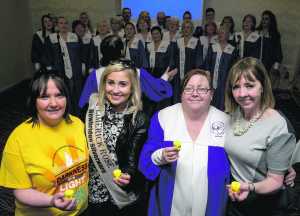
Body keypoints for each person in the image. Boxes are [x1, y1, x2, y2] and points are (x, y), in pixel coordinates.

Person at [139, 69, 230, 216]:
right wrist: (161, 155)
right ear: (181, 93)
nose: (195, 93)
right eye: (189, 88)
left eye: (202, 89)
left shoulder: (226, 122)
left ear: (212, 94)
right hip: (169, 205)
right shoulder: (163, 117)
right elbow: (145, 160)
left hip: (210, 206)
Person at [0, 71, 89, 215]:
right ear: (34, 100)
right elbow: (20, 191)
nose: (53, 103)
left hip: (80, 210)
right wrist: (52, 201)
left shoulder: (77, 124)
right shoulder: (18, 139)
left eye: (59, 95)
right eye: (45, 97)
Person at [224, 57, 296, 215]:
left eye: (250, 86)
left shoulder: (276, 123)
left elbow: (276, 181)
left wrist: (249, 187)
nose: (242, 94)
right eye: (236, 87)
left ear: (262, 86)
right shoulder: (233, 115)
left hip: (265, 205)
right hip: (237, 198)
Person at [85, 61, 148, 215]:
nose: (115, 90)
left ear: (132, 87)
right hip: (94, 188)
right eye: (110, 83)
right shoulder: (92, 108)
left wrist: (129, 175)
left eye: (123, 84)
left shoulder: (138, 119)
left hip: (121, 191)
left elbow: (134, 156)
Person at [78, 35, 177, 112]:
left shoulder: (95, 75)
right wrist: (165, 77)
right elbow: (157, 89)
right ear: (122, 51)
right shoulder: (136, 72)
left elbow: (84, 104)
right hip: (131, 124)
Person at [44, 16, 85, 115]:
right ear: (57, 25)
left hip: (75, 71)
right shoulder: (51, 38)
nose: (64, 25)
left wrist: (83, 65)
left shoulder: (74, 37)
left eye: (66, 23)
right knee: (64, 94)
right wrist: (50, 69)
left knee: (77, 94)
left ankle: (79, 115)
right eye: (61, 23)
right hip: (60, 72)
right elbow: (47, 55)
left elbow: (82, 53)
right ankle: (67, 115)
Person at [204, 26, 238, 110]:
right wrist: (207, 74)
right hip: (212, 80)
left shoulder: (232, 50)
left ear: (228, 35)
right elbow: (207, 62)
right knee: (211, 101)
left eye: (222, 33)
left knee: (223, 102)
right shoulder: (212, 47)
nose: (220, 35)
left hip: (225, 81)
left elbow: (234, 66)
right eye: (219, 33)